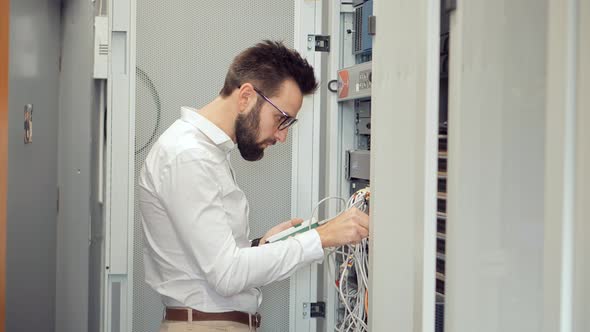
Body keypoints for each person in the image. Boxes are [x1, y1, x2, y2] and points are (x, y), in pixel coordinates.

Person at [138, 40, 370, 332]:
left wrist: (261, 245)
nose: (281, 136)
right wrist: (322, 237)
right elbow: (227, 274)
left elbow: (211, 259)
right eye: (280, 119)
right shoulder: (188, 156)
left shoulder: (205, 152)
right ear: (246, 96)